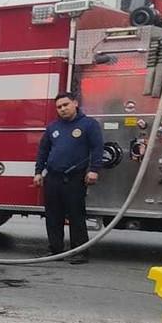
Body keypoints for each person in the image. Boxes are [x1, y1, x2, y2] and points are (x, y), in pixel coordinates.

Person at [34, 91, 103, 263]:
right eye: (59, 107)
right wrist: (38, 172)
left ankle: (79, 251)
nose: (62, 109)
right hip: (53, 177)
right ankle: (55, 250)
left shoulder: (89, 125)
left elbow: (97, 148)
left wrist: (94, 169)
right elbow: (43, 150)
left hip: (75, 177)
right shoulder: (53, 127)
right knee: (53, 215)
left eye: (66, 105)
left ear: (75, 103)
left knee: (76, 215)